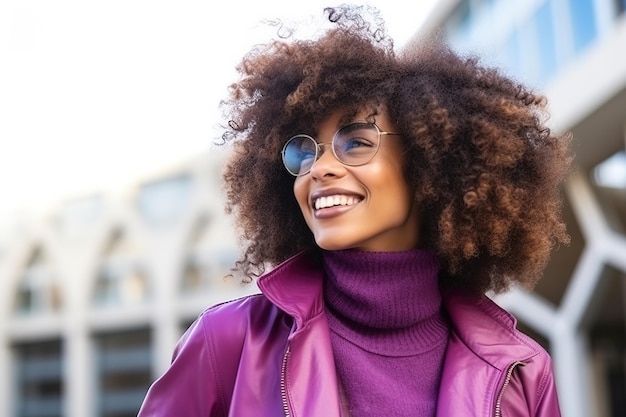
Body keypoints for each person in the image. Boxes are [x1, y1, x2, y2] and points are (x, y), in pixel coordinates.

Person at [138, 4, 572, 417]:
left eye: (357, 142)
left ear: (428, 162)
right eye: (303, 151)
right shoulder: (228, 342)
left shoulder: (521, 371)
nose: (320, 168)